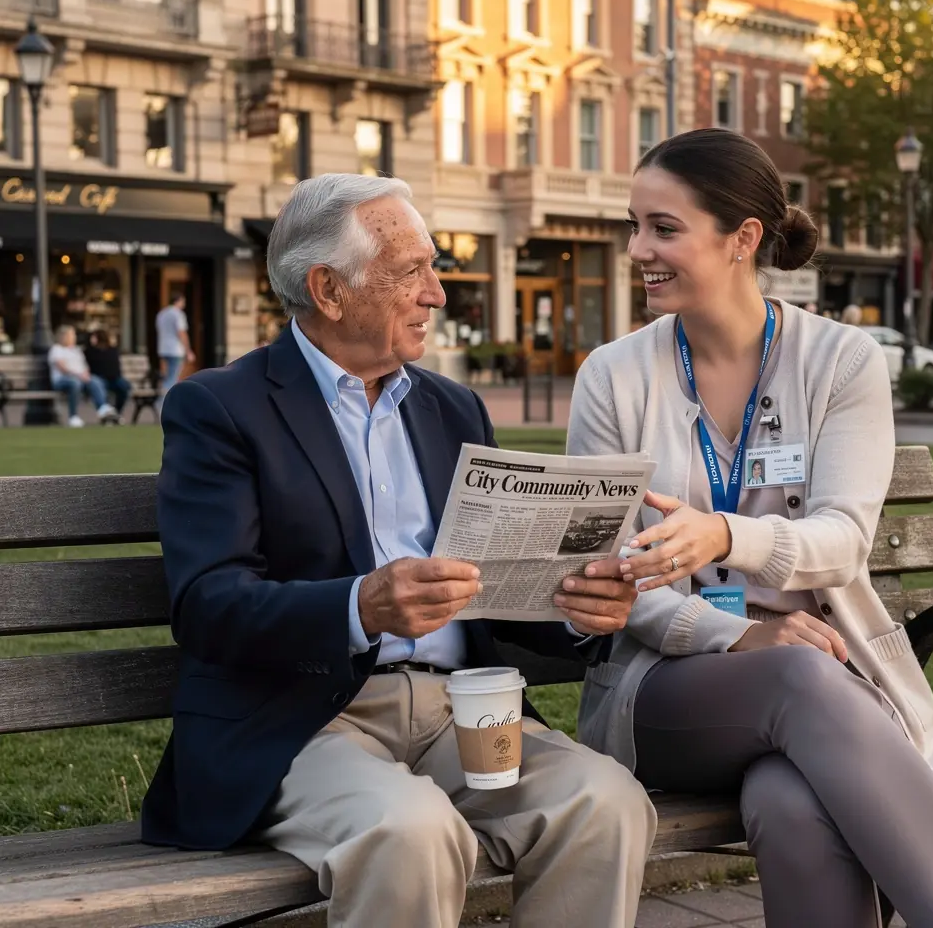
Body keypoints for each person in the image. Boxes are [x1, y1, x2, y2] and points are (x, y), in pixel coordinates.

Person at [141, 173, 656, 928]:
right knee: (412, 832)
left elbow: (491, 585)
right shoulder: (222, 408)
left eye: (433, 268)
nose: (437, 294)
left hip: (461, 711)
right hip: (302, 721)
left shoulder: (453, 407)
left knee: (605, 802)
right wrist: (361, 605)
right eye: (410, 271)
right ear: (328, 289)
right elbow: (207, 603)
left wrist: (578, 610)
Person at [566, 128, 933, 928]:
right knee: (796, 678)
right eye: (635, 226)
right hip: (662, 692)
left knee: (791, 802)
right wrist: (738, 637)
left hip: (832, 684)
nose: (637, 250)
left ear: (743, 238)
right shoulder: (613, 377)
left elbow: (844, 541)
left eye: (664, 228)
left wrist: (727, 537)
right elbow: (613, 579)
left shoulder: (840, 360)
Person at [47, 325, 119, 428]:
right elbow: (62, 368)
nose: (74, 337)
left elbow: (84, 366)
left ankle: (102, 408)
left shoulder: (76, 350)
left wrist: (85, 374)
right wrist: (79, 375)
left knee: (95, 380)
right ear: (64, 336)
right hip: (62, 380)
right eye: (72, 335)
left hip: (80, 378)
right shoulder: (56, 349)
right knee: (75, 383)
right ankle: (73, 416)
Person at [155, 292, 194, 407]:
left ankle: (165, 399)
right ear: (178, 301)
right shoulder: (178, 314)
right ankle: (163, 402)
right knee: (172, 378)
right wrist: (188, 351)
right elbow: (181, 333)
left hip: (163, 349)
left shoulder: (162, 314)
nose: (184, 304)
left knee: (167, 376)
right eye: (183, 301)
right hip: (175, 350)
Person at [85, 329, 132, 420]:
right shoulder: (89, 351)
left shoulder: (112, 350)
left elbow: (115, 367)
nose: (91, 339)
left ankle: (117, 412)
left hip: (114, 378)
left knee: (124, 386)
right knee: (97, 384)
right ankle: (105, 411)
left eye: (93, 337)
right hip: (99, 378)